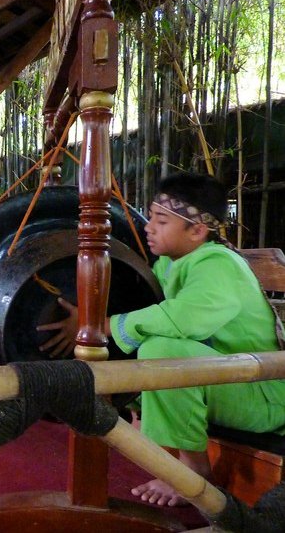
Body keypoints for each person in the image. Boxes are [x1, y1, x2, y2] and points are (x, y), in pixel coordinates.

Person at [37, 171, 285, 507]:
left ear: (197, 230)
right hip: (225, 382)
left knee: (163, 349)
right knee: (147, 337)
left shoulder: (219, 264)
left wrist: (101, 325)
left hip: (262, 393)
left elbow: (184, 321)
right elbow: (136, 308)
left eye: (162, 221)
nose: (148, 227)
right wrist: (86, 310)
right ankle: (163, 447)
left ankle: (194, 475)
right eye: (151, 217)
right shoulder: (168, 266)